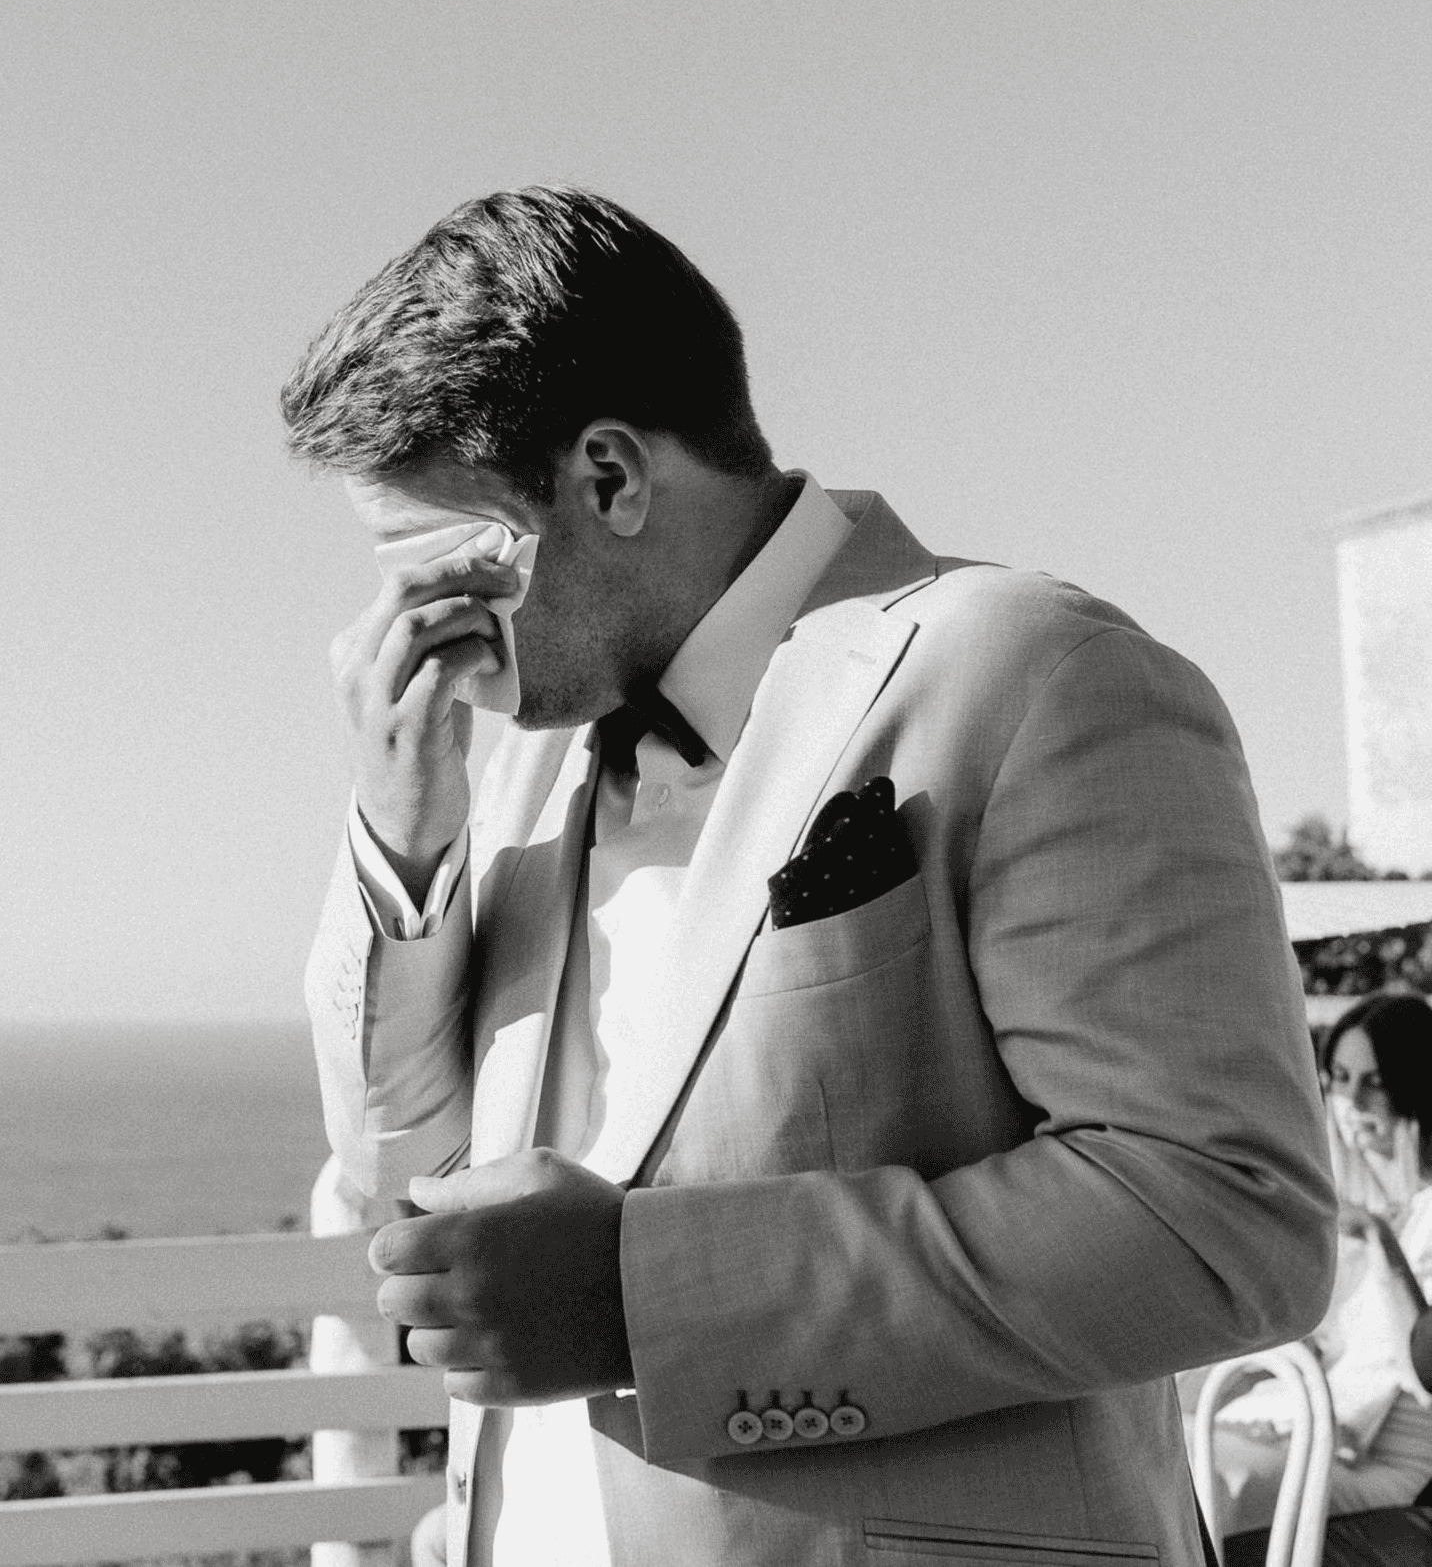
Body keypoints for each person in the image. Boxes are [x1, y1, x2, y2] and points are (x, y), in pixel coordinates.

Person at [283, 185, 1335, 1567]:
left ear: (610, 477)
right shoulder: (524, 769)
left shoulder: (1035, 671)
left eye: (434, 563)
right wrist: (401, 833)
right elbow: (391, 1165)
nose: (407, 628)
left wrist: (638, 1295)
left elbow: (1224, 1216)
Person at [1206, 992, 1432, 1532]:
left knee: (1211, 1476)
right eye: (1340, 1078)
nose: (1352, 1100)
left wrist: (1379, 1241)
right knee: (1166, 1457)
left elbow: (1426, 1373)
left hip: (1389, 1458)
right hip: (1310, 1422)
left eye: (1375, 1082)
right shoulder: (1346, 1200)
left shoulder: (1397, 1217)